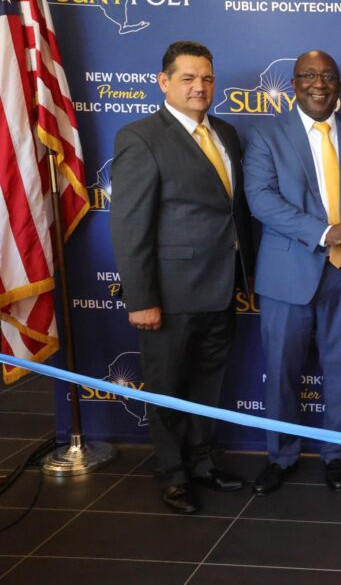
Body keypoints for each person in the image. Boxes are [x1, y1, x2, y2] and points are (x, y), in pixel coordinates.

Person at [110, 40, 254, 514]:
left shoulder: (227, 134)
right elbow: (131, 224)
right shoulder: (141, 137)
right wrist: (141, 298)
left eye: (207, 78)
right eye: (189, 78)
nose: (199, 87)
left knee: (207, 386)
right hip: (169, 295)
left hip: (222, 287)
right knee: (168, 387)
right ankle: (172, 475)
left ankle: (202, 463)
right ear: (164, 82)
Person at [243, 50, 341, 496]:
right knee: (282, 370)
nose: (319, 84)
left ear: (339, 85)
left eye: (328, 76)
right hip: (288, 275)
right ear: (294, 82)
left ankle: (335, 453)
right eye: (308, 75)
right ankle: (280, 456)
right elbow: (261, 200)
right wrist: (324, 232)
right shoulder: (265, 134)